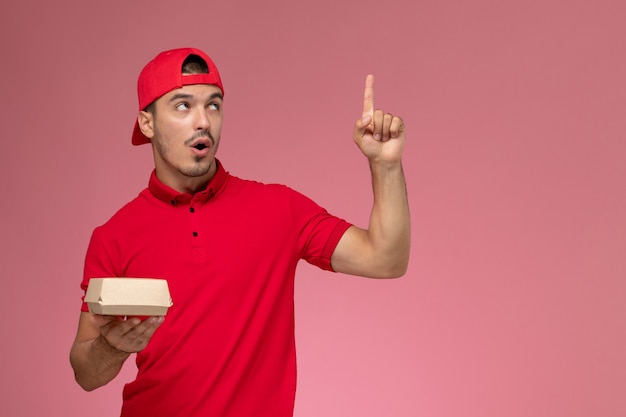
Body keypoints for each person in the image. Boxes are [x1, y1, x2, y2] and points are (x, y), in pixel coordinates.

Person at [69, 47, 410, 417]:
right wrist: (113, 347)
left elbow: (386, 258)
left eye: (213, 105)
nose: (203, 121)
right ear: (147, 123)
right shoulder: (114, 235)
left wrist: (386, 166)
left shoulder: (280, 209)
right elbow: (85, 372)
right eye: (183, 106)